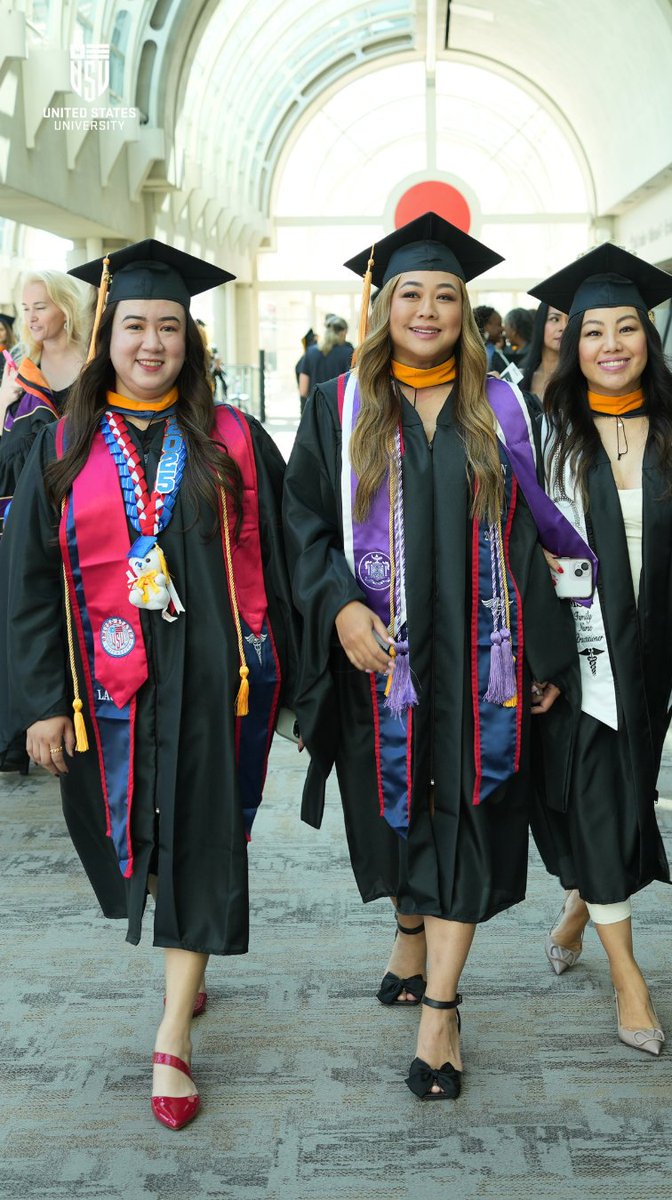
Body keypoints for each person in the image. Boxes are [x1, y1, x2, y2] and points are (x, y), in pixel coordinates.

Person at [284, 212, 585, 1100]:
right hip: (378, 665)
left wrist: (543, 657)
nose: (427, 309)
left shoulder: (499, 408)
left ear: (466, 310)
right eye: (409, 293)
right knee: (392, 821)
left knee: (466, 823)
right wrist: (338, 605)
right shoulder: (335, 408)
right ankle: (409, 930)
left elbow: (533, 534)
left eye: (445, 295)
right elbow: (301, 524)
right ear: (382, 308)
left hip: (479, 664)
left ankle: (442, 1010)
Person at [0, 240, 297, 1129]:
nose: (153, 342)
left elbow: (282, 562)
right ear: (108, 336)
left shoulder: (235, 441)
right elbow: (24, 586)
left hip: (212, 685)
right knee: (141, 844)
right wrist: (43, 703)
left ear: (191, 341)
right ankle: (182, 941)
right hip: (108, 695)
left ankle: (173, 1032)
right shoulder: (59, 444)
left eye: (170, 326)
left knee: (204, 843)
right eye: (136, 324)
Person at [526, 245, 672, 1056]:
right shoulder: (546, 435)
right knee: (598, 798)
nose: (609, 344)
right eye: (591, 330)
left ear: (647, 338)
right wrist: (541, 661)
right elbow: (520, 547)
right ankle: (631, 981)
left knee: (629, 795)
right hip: (580, 660)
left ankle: (577, 907)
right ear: (569, 343)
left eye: (625, 328)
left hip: (656, 657)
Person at [0, 270, 94, 527]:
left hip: (86, 490)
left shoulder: (93, 361)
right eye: (26, 308)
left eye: (39, 307)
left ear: (65, 309)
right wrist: (3, 400)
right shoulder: (22, 368)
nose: (31, 318)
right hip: (35, 500)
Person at [519, 301, 567, 399]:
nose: (563, 327)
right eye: (555, 319)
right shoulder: (520, 376)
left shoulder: (583, 381)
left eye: (570, 320)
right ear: (540, 322)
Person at [473, 305, 510, 373]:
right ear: (485, 326)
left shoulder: (474, 351)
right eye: (499, 324)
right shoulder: (490, 356)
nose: (503, 328)